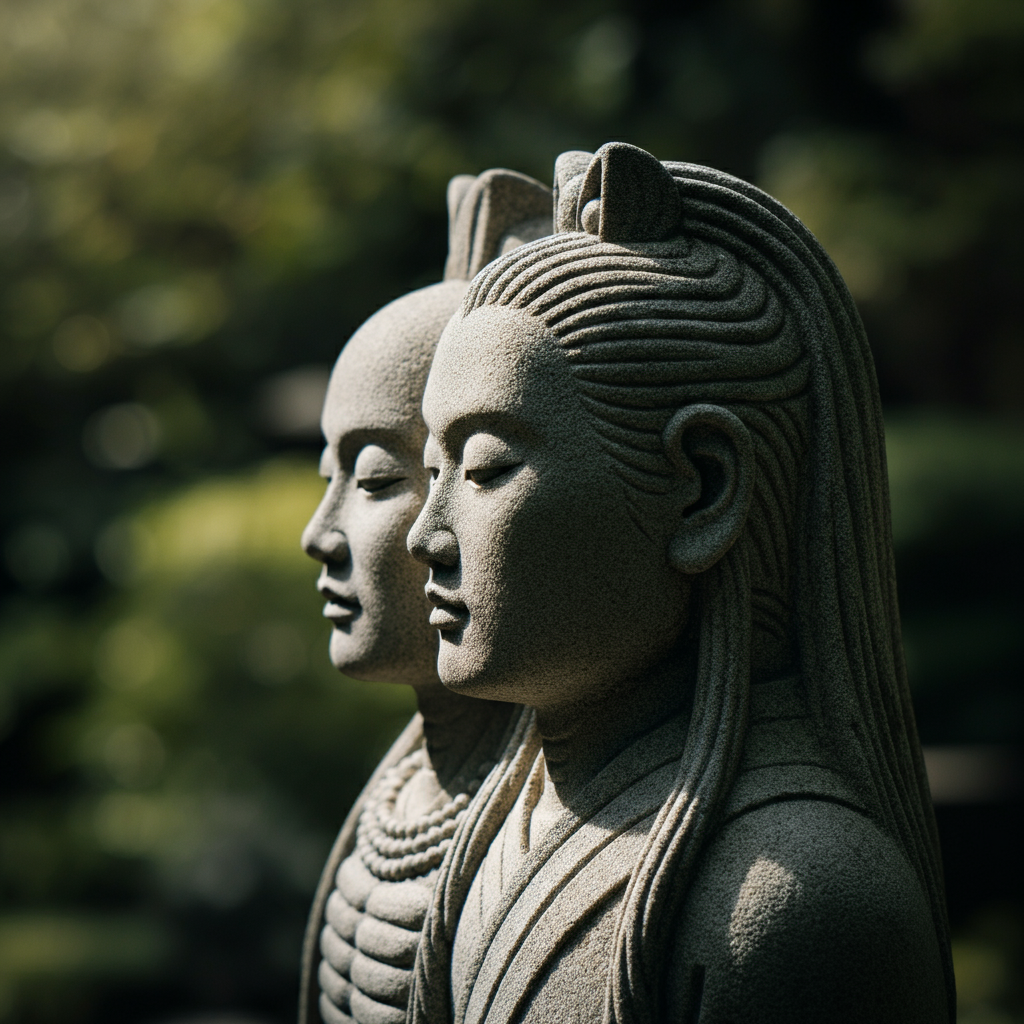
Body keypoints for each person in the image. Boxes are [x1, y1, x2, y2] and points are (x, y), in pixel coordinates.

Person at [406, 143, 952, 1024]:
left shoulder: (792, 896)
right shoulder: (516, 828)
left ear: (701, 489)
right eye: (428, 473)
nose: (423, 536)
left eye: (483, 468)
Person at [298, 167, 551, 1024]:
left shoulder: (563, 841)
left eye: (371, 477)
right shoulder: (401, 791)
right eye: (326, 475)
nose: (317, 534)